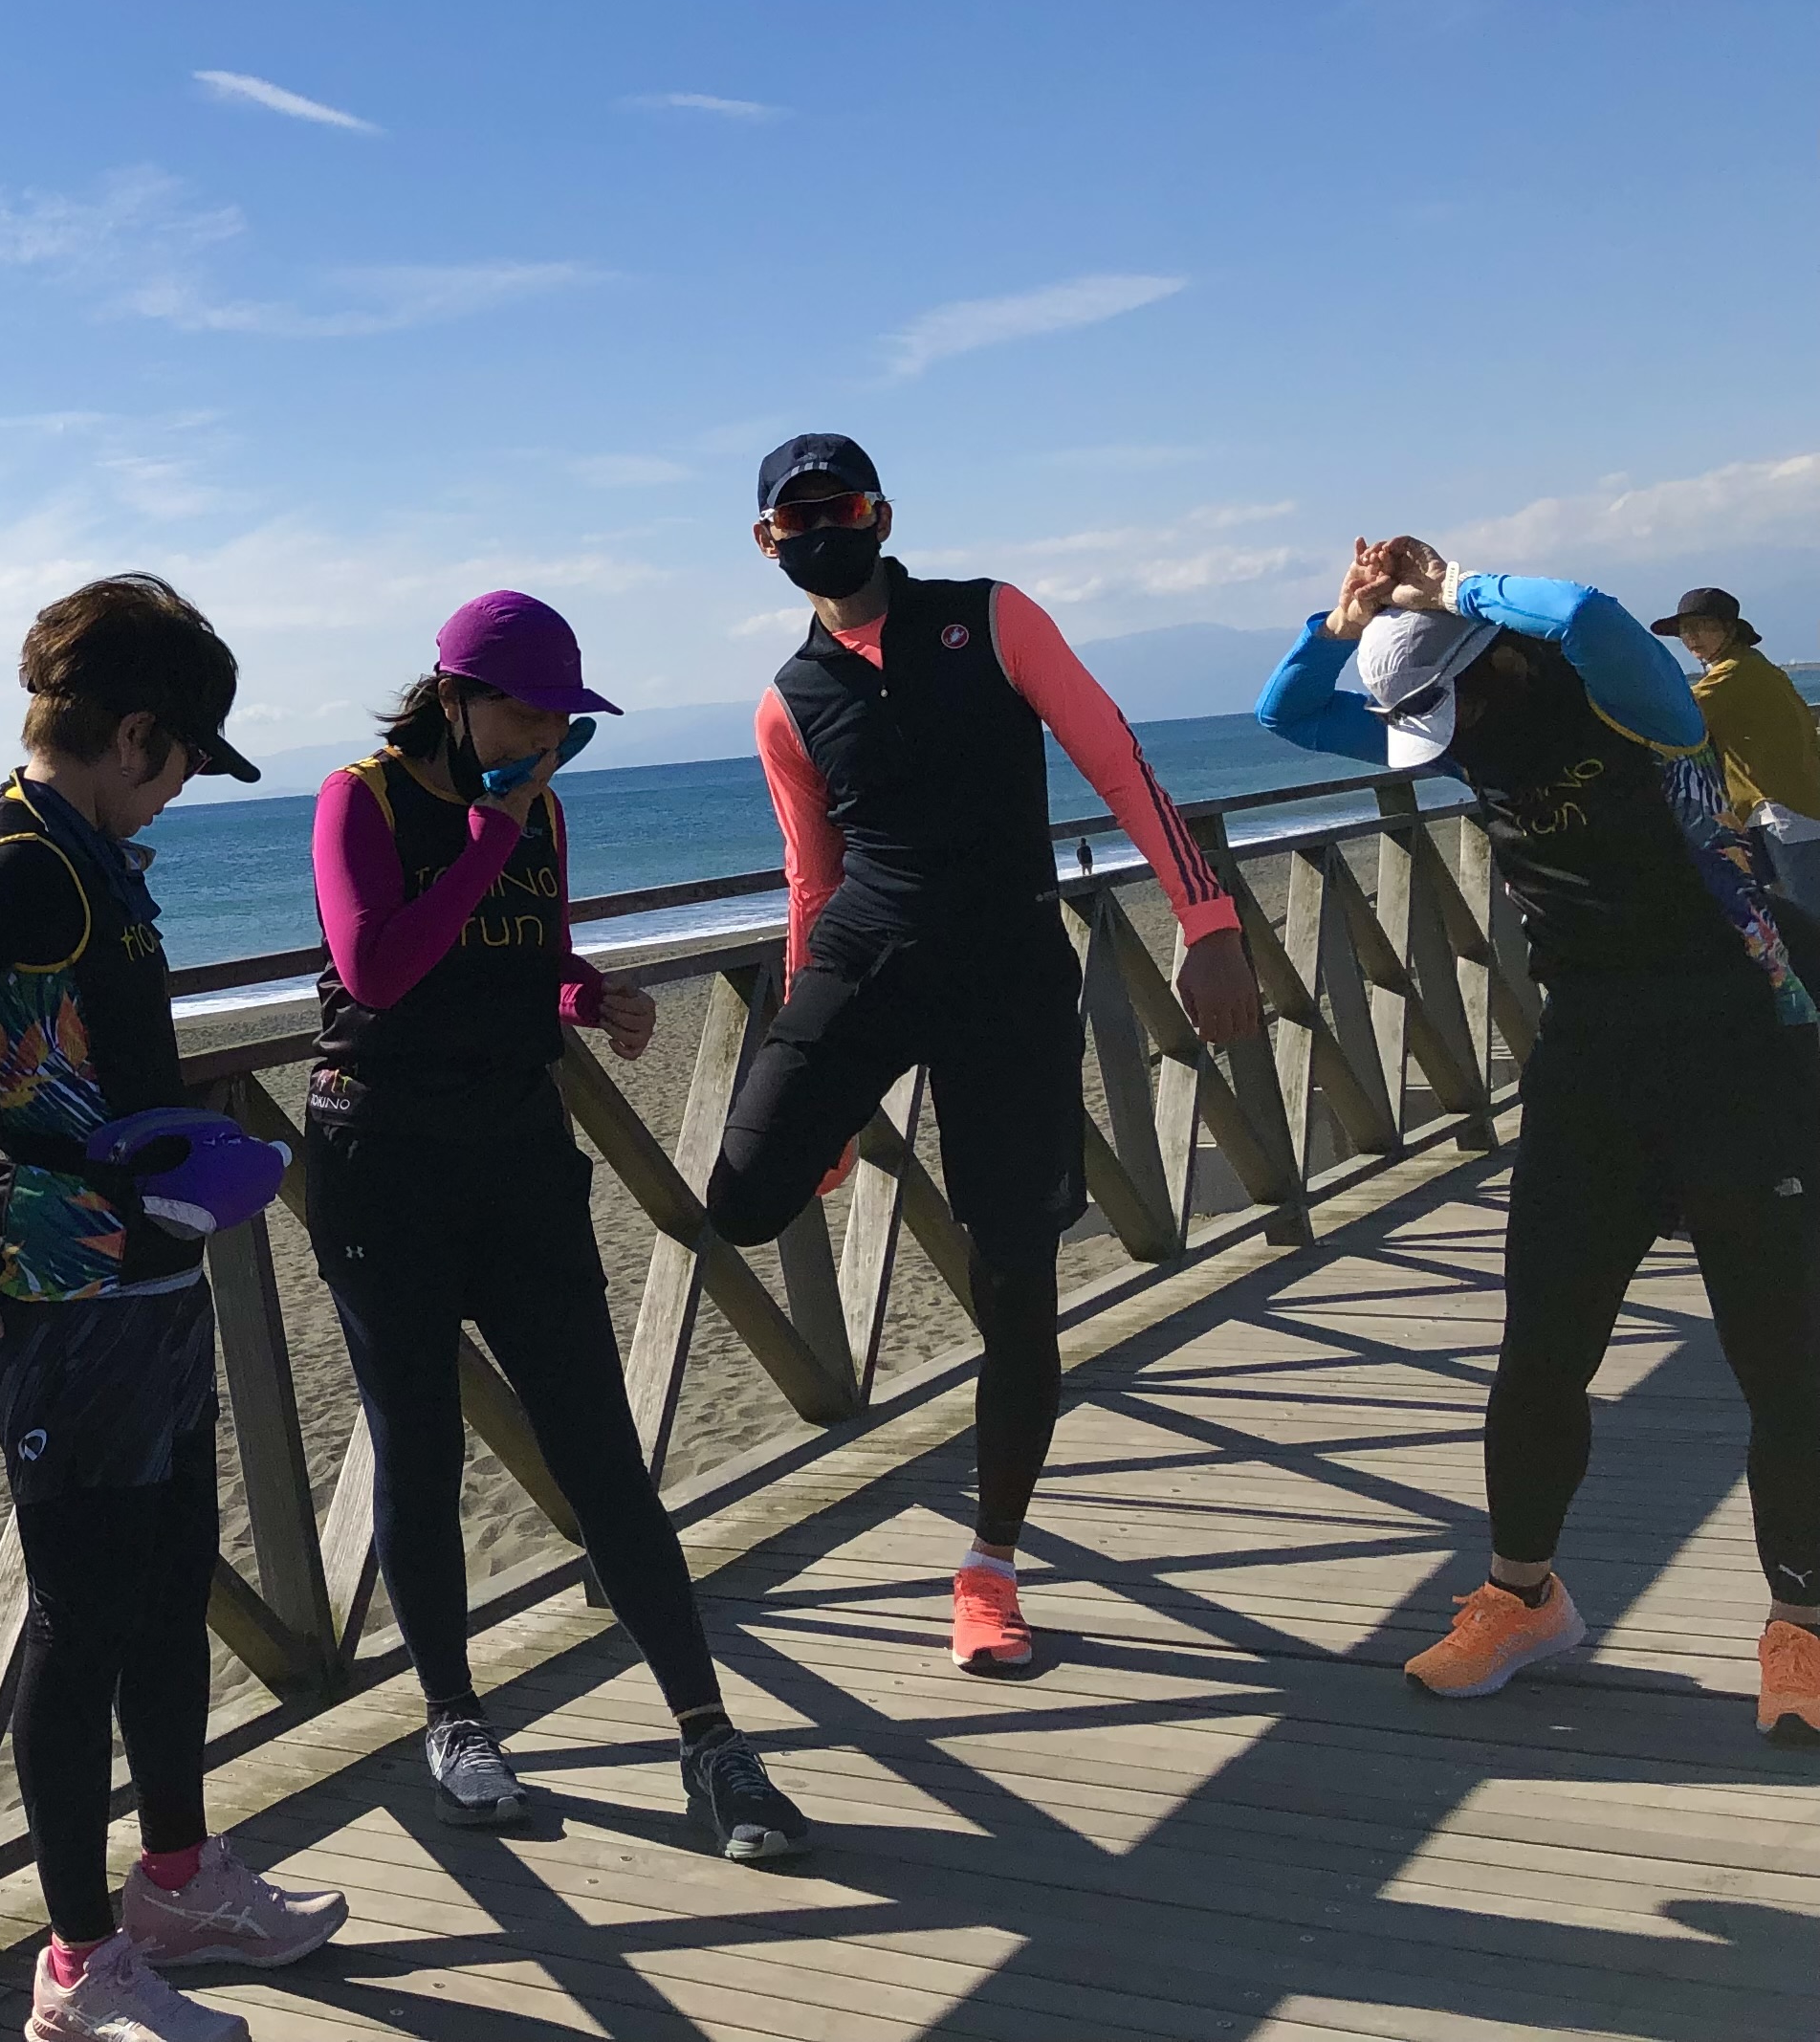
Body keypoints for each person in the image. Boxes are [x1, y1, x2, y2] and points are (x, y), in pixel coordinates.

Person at [0, 576, 344, 2042]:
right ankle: (76, 1965)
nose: (181, 789)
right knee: (82, 1615)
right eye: (182, 761)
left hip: (149, 1271)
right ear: (136, 735)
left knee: (172, 1581)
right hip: (61, 1290)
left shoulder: (87, 857)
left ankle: (177, 1881)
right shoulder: (22, 864)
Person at [703, 436, 1261, 1680]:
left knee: (1016, 1283)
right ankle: (845, 1131)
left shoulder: (992, 618)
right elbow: (810, 884)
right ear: (766, 541)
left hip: (1007, 976)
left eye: (841, 508)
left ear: (881, 515)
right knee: (741, 1198)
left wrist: (1208, 919)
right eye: (795, 519)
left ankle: (989, 1567)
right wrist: (820, 1073)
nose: (821, 531)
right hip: (866, 962)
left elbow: (1117, 760)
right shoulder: (787, 700)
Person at [1260, 539, 1820, 1743]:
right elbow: (1287, 714)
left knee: (1782, 1355)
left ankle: (1805, 1626)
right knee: (1542, 1346)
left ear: (1499, 664)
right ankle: (1523, 1599)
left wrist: (1447, 587)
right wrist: (1341, 623)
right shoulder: (1457, 730)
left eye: (1442, 703)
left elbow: (1594, 614)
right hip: (1590, 1058)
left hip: (1738, 1049)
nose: (1433, 736)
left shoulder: (1634, 706)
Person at [306, 591, 815, 1860]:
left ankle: (711, 1740)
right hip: (383, 1162)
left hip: (518, 1155)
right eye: (526, 713)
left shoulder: (537, 812)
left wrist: (592, 998)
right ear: (454, 697)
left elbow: (533, 957)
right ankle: (455, 1720)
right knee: (419, 1448)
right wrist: (490, 833)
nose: (546, 739)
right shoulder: (361, 801)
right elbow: (376, 969)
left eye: (562, 720)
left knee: (600, 1451)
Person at [1652, 587, 1820, 909]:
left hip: (1785, 808)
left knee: (1806, 913)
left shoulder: (1733, 672)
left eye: (1703, 626)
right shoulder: (1747, 664)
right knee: (1783, 908)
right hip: (1768, 805)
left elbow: (1676, 715)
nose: (1692, 637)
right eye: (1685, 630)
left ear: (1729, 629)